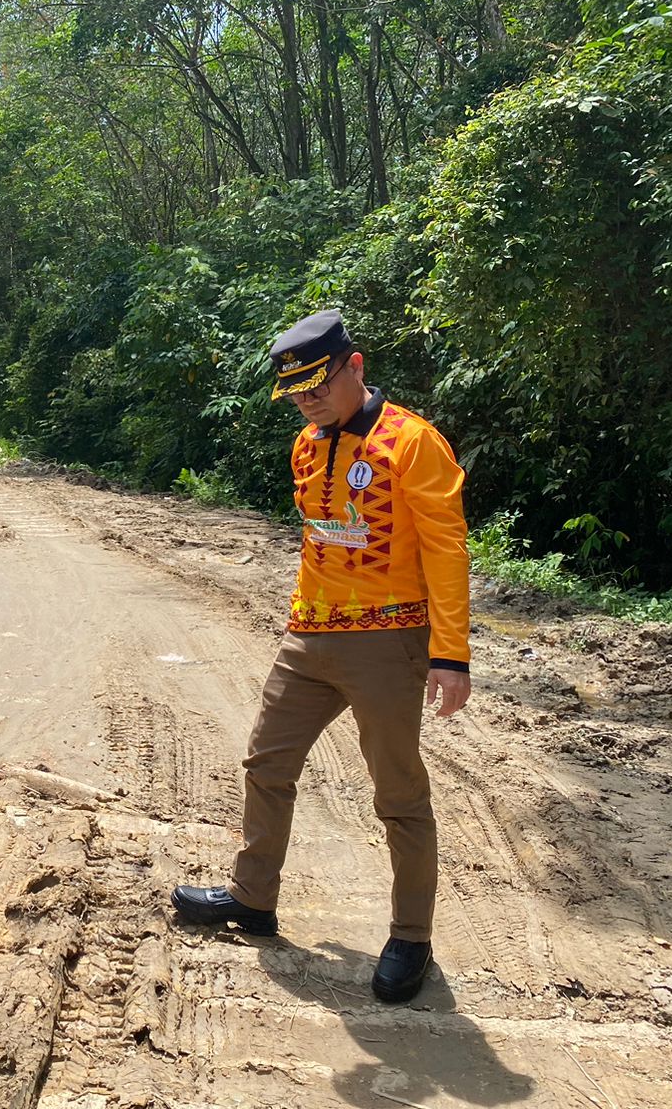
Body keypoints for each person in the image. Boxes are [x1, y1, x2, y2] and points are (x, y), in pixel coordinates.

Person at [170, 309, 471, 1003]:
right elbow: (318, 540)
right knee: (266, 762)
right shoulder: (307, 445)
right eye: (296, 391)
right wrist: (297, 623)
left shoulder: (412, 442)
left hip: (387, 641)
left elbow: (446, 552)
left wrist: (450, 655)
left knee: (398, 792)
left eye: (317, 385)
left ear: (354, 366)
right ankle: (252, 898)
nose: (308, 400)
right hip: (310, 636)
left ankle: (410, 936)